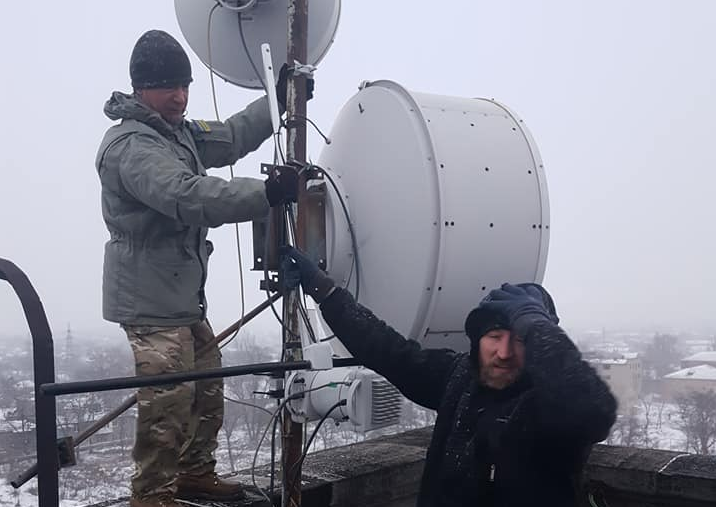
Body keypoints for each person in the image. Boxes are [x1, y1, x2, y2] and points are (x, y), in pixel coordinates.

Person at [95, 30, 311, 507]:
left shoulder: (178, 134)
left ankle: (194, 473)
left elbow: (230, 138)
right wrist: (266, 193)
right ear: (140, 88)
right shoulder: (131, 147)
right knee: (166, 404)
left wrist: (276, 99)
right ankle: (152, 497)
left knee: (206, 387)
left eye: (185, 85)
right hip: (150, 300)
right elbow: (184, 196)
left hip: (182, 297)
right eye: (168, 86)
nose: (180, 96)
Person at [281, 246, 617, 507]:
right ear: (477, 340)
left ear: (538, 342)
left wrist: (534, 321)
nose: (503, 352)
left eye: (519, 340)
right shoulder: (460, 378)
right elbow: (388, 350)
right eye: (495, 337)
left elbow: (593, 410)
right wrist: (323, 290)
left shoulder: (547, 407)